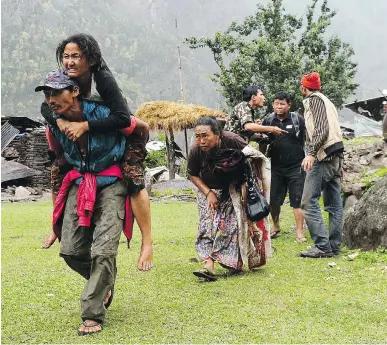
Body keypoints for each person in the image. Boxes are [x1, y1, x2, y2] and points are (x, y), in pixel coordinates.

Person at [35, 69, 153, 335]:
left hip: (112, 181)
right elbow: (58, 155)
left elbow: (140, 127)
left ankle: (92, 313)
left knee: (103, 250)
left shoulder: (103, 113)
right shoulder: (54, 121)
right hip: (80, 181)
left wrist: (134, 156)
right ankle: (103, 282)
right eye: (47, 93)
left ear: (75, 91)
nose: (50, 98)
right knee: (71, 250)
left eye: (56, 92)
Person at [40, 34, 152, 270]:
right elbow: (44, 104)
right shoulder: (63, 79)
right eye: (66, 56)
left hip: (125, 132)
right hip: (86, 136)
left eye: (75, 56)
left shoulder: (102, 79)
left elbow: (122, 118)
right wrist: (59, 122)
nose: (69, 62)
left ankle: (147, 243)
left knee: (133, 178)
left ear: (89, 59)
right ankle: (55, 227)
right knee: (56, 175)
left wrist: (84, 126)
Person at [187, 116, 271, 281]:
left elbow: (254, 159)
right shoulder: (196, 149)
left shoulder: (232, 140)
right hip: (208, 190)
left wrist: (247, 186)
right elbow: (192, 174)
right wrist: (209, 193)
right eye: (198, 136)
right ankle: (208, 264)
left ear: (217, 134)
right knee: (207, 225)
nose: (201, 140)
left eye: (205, 136)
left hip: (233, 188)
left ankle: (229, 261)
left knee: (230, 226)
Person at [298, 72, 344, 258]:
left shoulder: (313, 100)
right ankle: (333, 245)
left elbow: (322, 129)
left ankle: (322, 247)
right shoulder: (327, 101)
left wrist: (310, 153)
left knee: (308, 202)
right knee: (334, 204)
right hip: (336, 152)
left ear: (304, 88)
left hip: (323, 155)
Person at [262, 92, 307, 242]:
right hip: (275, 167)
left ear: (289, 105)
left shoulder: (297, 119)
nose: (278, 107)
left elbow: (307, 138)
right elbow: (263, 141)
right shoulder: (268, 120)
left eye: (282, 104)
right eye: (276, 103)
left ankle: (300, 232)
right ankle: (276, 226)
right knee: (274, 200)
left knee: (297, 199)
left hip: (296, 166)